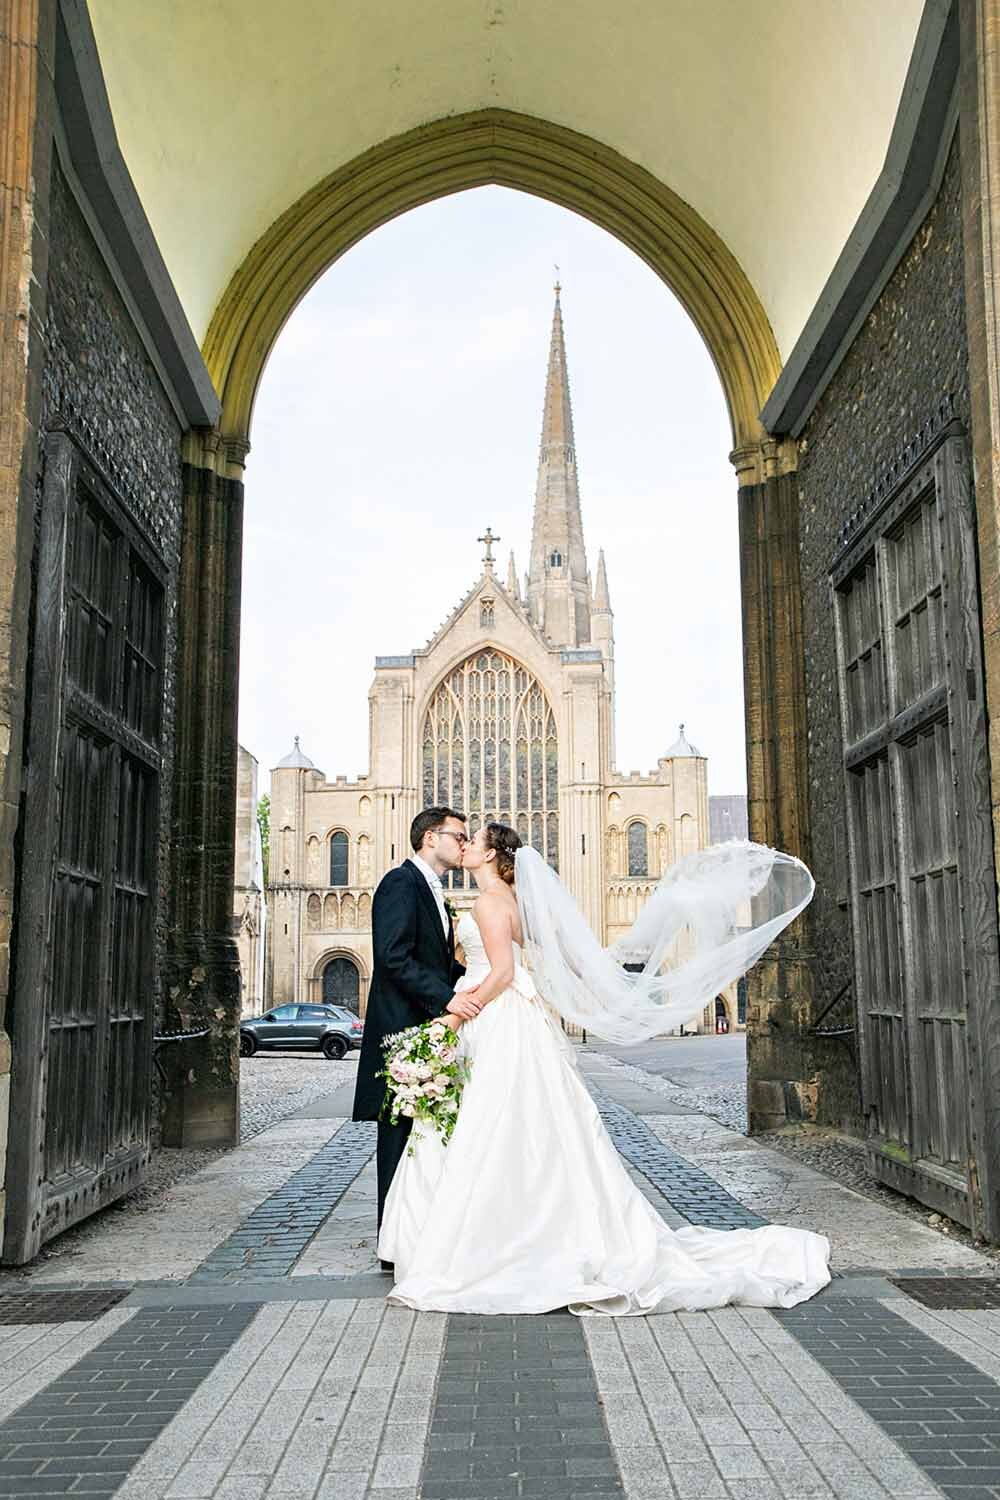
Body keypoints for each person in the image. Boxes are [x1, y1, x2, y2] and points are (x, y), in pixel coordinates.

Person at [379, 822, 830, 1315]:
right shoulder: (512, 900)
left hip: (495, 1014)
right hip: (510, 1016)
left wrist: (453, 1015)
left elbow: (504, 972)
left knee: (495, 1121)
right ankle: (531, 1225)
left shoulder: (489, 903)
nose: (465, 845)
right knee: (521, 1122)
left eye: (473, 841)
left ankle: (496, 1236)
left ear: (490, 856)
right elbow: (533, 958)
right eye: (459, 838)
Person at [351, 806, 479, 1260]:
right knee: (397, 1134)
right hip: (402, 1028)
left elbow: (437, 963)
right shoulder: (400, 883)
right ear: (430, 837)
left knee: (420, 1135)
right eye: (459, 836)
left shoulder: (433, 890)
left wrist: (482, 982)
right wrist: (448, 999)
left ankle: (417, 1232)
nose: (465, 844)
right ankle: (393, 1243)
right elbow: (393, 956)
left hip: (425, 1026)